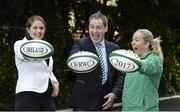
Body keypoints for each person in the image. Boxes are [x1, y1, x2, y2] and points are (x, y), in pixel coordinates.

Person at [68, 12, 125, 111]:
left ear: (105, 28)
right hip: (83, 104)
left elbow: (120, 74)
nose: (94, 31)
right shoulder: (80, 44)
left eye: (98, 27)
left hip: (105, 103)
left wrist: (115, 93)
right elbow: (73, 59)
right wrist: (76, 59)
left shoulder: (114, 48)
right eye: (92, 27)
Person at [14, 15, 59, 111]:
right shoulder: (19, 45)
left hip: (46, 96)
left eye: (41, 28)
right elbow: (23, 55)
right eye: (35, 28)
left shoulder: (46, 48)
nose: (38, 31)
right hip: (27, 95)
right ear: (28, 29)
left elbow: (48, 70)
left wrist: (55, 82)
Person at [122, 29, 164, 111]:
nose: (132, 42)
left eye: (136, 40)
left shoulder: (155, 60)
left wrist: (133, 61)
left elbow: (147, 66)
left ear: (147, 44)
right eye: (132, 40)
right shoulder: (134, 60)